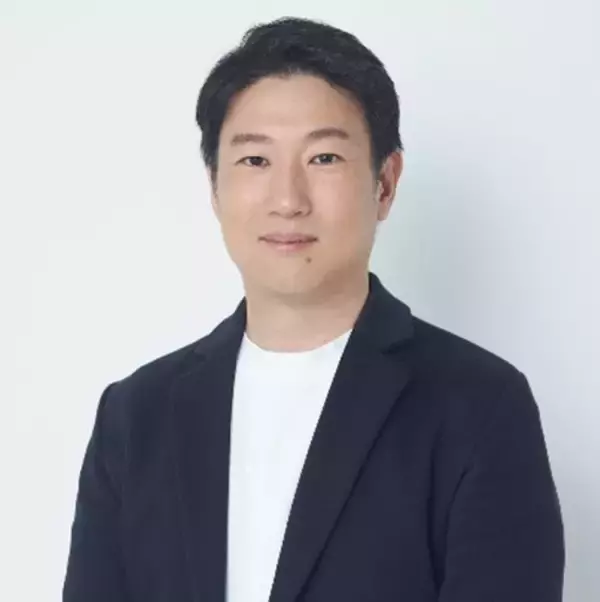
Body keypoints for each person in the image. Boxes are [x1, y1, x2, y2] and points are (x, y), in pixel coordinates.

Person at [62, 16, 565, 602]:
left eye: (324, 158)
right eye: (255, 160)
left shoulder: (479, 406)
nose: (288, 199)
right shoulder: (136, 416)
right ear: (214, 186)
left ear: (385, 182)